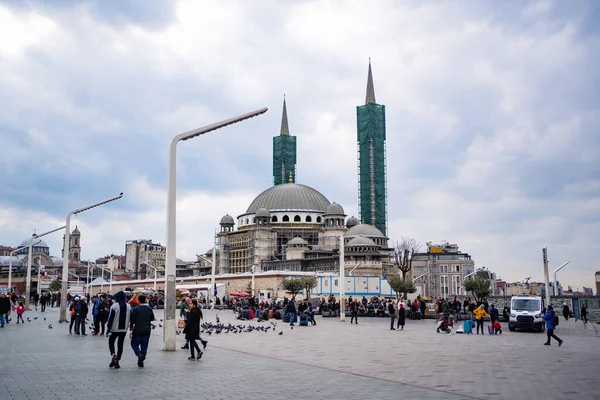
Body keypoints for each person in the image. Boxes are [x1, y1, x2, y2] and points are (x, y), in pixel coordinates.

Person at [107, 291, 131, 369]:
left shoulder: (114, 306)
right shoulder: (128, 306)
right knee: (120, 345)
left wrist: (108, 328)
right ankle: (117, 361)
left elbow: (111, 318)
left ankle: (113, 355)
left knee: (111, 342)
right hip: (124, 329)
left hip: (114, 329)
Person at [130, 294, 155, 367]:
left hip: (138, 329)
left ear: (139, 300)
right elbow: (152, 318)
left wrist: (131, 328)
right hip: (147, 329)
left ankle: (139, 354)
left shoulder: (136, 309)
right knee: (144, 345)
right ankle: (142, 360)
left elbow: (133, 320)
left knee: (134, 344)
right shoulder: (149, 308)